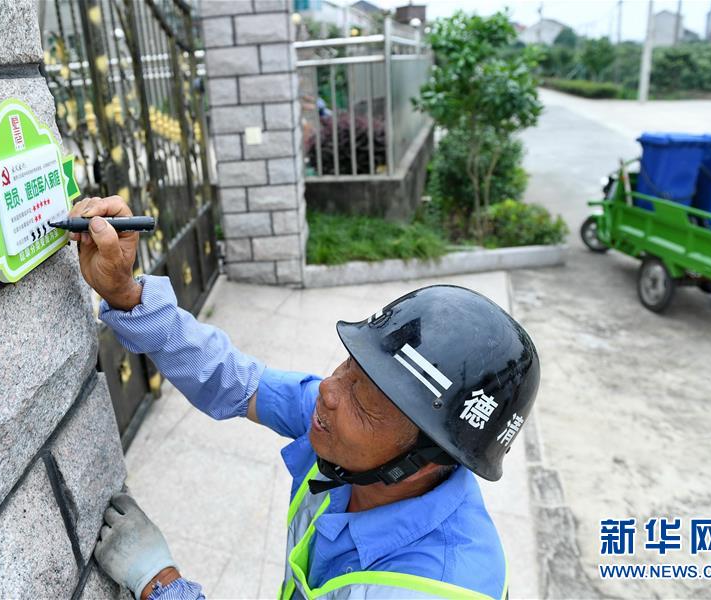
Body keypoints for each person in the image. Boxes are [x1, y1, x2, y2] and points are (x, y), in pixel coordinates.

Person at [71, 196, 541, 600]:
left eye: (364, 400)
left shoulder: (436, 586)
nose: (330, 393)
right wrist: (126, 293)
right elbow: (238, 380)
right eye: (348, 369)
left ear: (425, 458)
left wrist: (160, 581)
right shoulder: (352, 441)